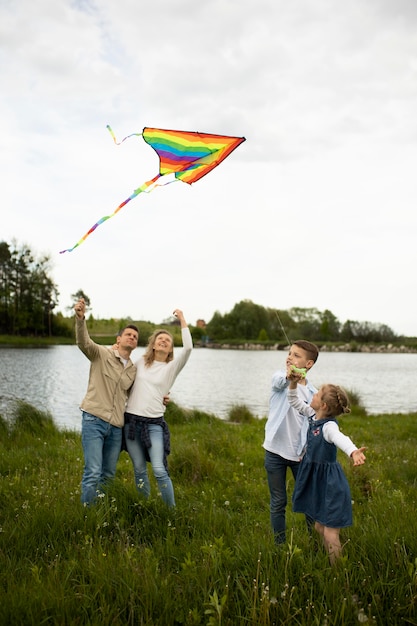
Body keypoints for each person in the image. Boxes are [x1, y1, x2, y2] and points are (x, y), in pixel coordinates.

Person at [287, 373, 366, 564]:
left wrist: (353, 452)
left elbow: (341, 439)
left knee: (330, 532)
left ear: (323, 405)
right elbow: (294, 401)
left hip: (330, 484)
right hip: (318, 482)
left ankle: (338, 574)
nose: (312, 395)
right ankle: (330, 561)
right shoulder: (313, 415)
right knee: (319, 527)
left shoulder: (329, 427)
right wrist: (293, 384)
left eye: (317, 394)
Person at [124, 309, 192, 507]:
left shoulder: (171, 368)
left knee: (159, 469)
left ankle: (171, 513)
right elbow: (121, 373)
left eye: (168, 341)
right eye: (160, 339)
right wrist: (114, 347)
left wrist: (182, 320)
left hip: (154, 424)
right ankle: (143, 507)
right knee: (138, 469)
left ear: (170, 349)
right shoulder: (138, 363)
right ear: (153, 345)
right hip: (131, 423)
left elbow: (187, 349)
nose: (163, 341)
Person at [74, 298, 138, 505]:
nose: (132, 338)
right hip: (94, 420)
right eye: (128, 334)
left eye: (135, 337)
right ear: (118, 339)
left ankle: (101, 513)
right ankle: (87, 515)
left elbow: (141, 392)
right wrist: (80, 318)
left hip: (116, 428)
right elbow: (84, 342)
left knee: (108, 475)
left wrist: (163, 397)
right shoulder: (101, 354)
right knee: (93, 471)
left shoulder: (134, 370)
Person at [263, 340, 319, 544]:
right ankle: (279, 545)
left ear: (309, 364)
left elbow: (316, 422)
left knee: (308, 499)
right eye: (289, 353)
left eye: (296, 355)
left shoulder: (314, 393)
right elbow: (280, 381)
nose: (290, 357)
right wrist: (289, 377)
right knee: (278, 501)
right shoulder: (280, 378)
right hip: (274, 452)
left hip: (300, 454)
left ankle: (315, 542)